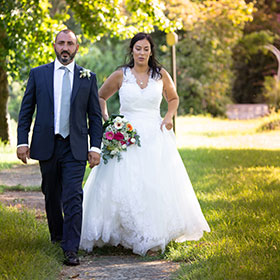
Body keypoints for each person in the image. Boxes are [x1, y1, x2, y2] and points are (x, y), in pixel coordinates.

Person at [79, 32, 210, 256]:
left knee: (153, 184)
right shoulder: (121, 74)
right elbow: (100, 96)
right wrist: (109, 120)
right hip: (125, 136)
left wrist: (168, 117)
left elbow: (174, 98)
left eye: (146, 49)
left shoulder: (160, 75)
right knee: (122, 184)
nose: (141, 53)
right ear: (132, 50)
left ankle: (151, 236)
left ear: (151, 52)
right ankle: (121, 234)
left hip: (154, 135)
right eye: (138, 48)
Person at [16, 29, 103, 266]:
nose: (65, 48)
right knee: (51, 193)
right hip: (46, 144)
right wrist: (22, 141)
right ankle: (57, 236)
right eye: (61, 43)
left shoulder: (88, 77)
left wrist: (95, 147)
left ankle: (70, 248)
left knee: (73, 195)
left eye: (70, 44)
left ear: (77, 47)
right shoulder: (38, 74)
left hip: (75, 146)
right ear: (54, 46)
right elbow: (26, 111)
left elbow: (95, 117)